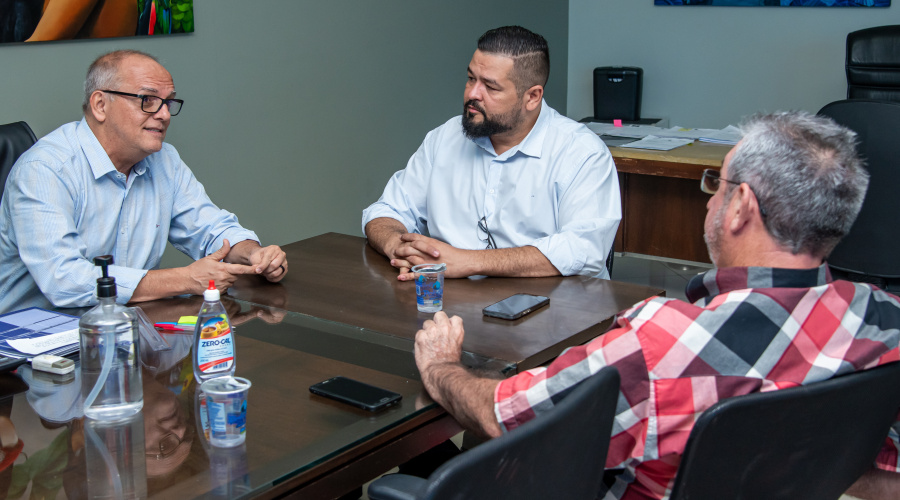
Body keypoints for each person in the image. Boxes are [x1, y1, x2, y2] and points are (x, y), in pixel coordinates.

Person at [413, 111, 900, 499]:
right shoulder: (883, 322)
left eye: (717, 183)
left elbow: (505, 415)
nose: (709, 200)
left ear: (741, 207)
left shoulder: (661, 342)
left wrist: (442, 367)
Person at [0, 50, 287, 313]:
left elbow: (209, 227)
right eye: (147, 100)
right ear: (100, 104)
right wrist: (185, 279)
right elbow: (65, 280)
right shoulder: (45, 170)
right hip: (31, 348)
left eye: (168, 102)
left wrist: (254, 253)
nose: (163, 114)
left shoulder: (164, 160)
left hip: (124, 329)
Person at [362, 26, 620, 281]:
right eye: (471, 78)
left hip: (556, 308)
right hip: (455, 305)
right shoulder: (444, 138)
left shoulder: (582, 152)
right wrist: (397, 245)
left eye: (490, 86)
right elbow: (387, 210)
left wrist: (468, 261)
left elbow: (583, 249)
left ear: (532, 96)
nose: (472, 94)